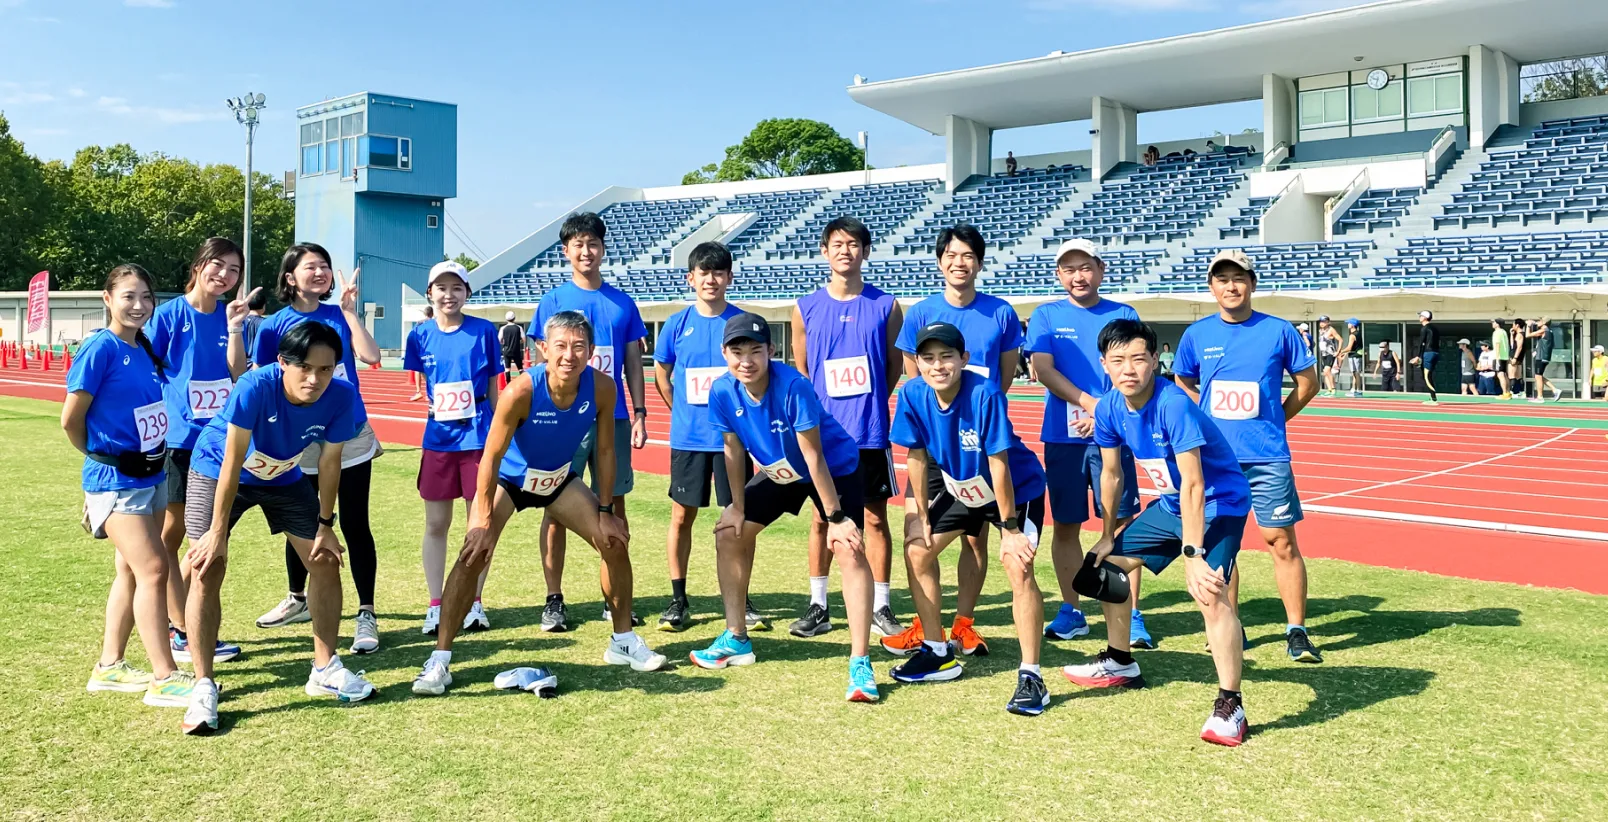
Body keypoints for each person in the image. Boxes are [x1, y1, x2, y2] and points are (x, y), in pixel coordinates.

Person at [411, 311, 667, 696]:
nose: (570, 355)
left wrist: (606, 509)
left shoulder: (601, 387)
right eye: (560, 346)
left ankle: (623, 641)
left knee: (612, 541)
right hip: (512, 480)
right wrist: (480, 518)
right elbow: (491, 458)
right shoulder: (521, 391)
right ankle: (440, 660)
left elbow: (606, 451)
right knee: (472, 553)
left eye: (579, 346)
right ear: (543, 349)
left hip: (558, 479)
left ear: (591, 351)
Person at [180, 321, 379, 734]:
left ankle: (324, 668)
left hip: (283, 476)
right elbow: (232, 461)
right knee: (207, 565)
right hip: (217, 471)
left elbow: (329, 461)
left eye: (326, 369)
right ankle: (203, 684)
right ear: (281, 362)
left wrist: (326, 524)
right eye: (305, 367)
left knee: (324, 562)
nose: (315, 379)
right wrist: (217, 532)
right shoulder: (255, 385)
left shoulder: (342, 396)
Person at [1064, 318, 1252, 746]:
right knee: (1103, 568)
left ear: (1154, 360)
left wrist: (1192, 554)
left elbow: (1194, 483)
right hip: (1171, 505)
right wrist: (1109, 533)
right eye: (1118, 360)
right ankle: (1120, 661)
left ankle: (1231, 704)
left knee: (1209, 590)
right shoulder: (1110, 406)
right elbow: (1111, 475)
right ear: (1104, 365)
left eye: (1137, 358)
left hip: (1219, 504)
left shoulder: (1174, 404)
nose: (1128, 368)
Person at [690, 313, 880, 704]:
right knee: (729, 533)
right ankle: (737, 637)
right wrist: (735, 507)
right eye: (737, 351)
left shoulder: (794, 385)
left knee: (848, 548)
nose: (746, 360)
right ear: (725, 353)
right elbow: (732, 448)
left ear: (771, 351)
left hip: (834, 468)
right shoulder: (723, 391)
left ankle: (860, 662)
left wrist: (838, 519)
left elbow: (814, 457)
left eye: (755, 351)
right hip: (782, 471)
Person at [888, 322, 1051, 715]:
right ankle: (936, 651)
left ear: (964, 359)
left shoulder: (985, 394)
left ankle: (1032, 675)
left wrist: (1011, 530)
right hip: (962, 487)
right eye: (928, 358)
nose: (937, 365)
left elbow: (999, 463)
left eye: (947, 356)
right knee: (918, 551)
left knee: (1018, 565)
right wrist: (920, 514)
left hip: (1014, 487)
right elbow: (916, 455)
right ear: (918, 362)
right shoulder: (912, 393)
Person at [1172, 250, 1322, 664]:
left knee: (1281, 542)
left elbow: (1308, 382)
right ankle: (1227, 624)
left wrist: (1277, 418)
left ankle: (1297, 630)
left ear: (1252, 284)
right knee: (1223, 546)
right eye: (1221, 279)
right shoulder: (1197, 335)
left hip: (1267, 456)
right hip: (1216, 461)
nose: (1231, 286)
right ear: (1211, 287)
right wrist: (1202, 416)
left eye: (1238, 278)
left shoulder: (1279, 331)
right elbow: (1184, 380)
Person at [881, 224, 1021, 657]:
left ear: (978, 262)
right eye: (951, 255)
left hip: (978, 442)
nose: (959, 263)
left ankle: (963, 623)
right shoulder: (921, 312)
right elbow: (913, 373)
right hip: (934, 443)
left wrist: (972, 421)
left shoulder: (1001, 313)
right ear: (940, 261)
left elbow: (1006, 374)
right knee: (917, 536)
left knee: (975, 539)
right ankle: (928, 628)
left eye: (968, 255)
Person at [66, 264, 198, 712]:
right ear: (108, 298)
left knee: (129, 570)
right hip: (115, 480)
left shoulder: (142, 347)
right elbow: (71, 419)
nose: (138, 305)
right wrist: (103, 455)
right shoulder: (99, 349)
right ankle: (163, 675)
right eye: (128, 296)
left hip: (152, 474)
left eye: (146, 296)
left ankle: (110, 666)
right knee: (154, 570)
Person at [251, 245, 385, 655]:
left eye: (325, 266)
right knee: (301, 520)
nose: (321, 273)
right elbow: (261, 376)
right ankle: (298, 598)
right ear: (290, 277)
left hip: (348, 431)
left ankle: (366, 612)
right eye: (311, 267)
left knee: (355, 522)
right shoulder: (274, 325)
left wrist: (349, 310)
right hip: (298, 436)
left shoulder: (338, 315)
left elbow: (371, 356)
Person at [529, 212, 650, 632]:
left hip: (611, 419)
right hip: (562, 420)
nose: (586, 251)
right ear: (566, 251)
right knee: (554, 507)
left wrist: (639, 412)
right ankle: (553, 599)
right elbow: (537, 362)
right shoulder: (552, 301)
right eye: (578, 244)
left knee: (613, 505)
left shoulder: (622, 303)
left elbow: (633, 361)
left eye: (593, 244)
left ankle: (614, 598)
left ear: (602, 249)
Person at [1024, 239, 1147, 649]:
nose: (1078, 276)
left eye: (1086, 267)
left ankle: (1132, 613)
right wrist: (1089, 402)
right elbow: (1042, 368)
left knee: (1123, 524)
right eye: (1069, 269)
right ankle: (1072, 608)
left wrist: (1106, 410)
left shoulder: (1122, 313)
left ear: (1101, 268)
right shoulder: (1046, 315)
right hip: (1063, 435)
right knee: (1066, 525)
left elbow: (1134, 367)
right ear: (1059, 275)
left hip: (1116, 433)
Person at [790, 216, 904, 640]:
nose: (845, 251)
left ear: (866, 252)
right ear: (825, 251)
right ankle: (819, 604)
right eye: (837, 244)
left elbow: (894, 367)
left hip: (870, 432)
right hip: (823, 437)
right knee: (821, 520)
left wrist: (869, 402)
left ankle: (881, 606)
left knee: (875, 520)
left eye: (854, 244)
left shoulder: (887, 306)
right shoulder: (804, 308)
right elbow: (803, 369)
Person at [148, 238, 253, 667]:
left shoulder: (233, 317)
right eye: (218, 265)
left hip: (217, 443)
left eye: (233, 270)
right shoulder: (170, 315)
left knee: (207, 536)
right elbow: (148, 367)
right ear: (199, 265)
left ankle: (185, 623)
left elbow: (238, 371)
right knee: (172, 536)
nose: (224, 276)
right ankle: (180, 629)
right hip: (177, 441)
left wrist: (233, 328)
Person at [651, 241, 751, 632]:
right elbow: (662, 371)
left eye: (718, 272)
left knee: (739, 518)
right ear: (691, 278)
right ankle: (678, 599)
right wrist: (677, 406)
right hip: (688, 439)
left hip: (733, 441)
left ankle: (742, 596)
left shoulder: (741, 321)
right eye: (703, 273)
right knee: (682, 517)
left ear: (729, 277)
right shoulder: (677, 323)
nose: (711, 279)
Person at [404, 261, 503, 635]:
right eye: (441, 288)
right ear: (430, 293)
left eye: (457, 288)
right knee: (436, 523)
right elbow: (423, 380)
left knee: (478, 524)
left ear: (467, 292)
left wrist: (496, 431)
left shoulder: (484, 331)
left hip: (478, 438)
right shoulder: (420, 336)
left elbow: (495, 383)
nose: (449, 295)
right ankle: (436, 603)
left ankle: (475, 602)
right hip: (438, 441)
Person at [1409, 310, 1441, 405]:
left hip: (1428, 353)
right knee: (1428, 375)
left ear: (1425, 317)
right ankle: (1432, 396)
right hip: (1435, 353)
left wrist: (1418, 356)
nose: (1419, 317)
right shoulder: (1435, 328)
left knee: (1426, 376)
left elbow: (1422, 343)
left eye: (1421, 316)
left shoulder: (1424, 328)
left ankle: (1433, 398)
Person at [1528, 317, 1561, 403]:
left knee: (1538, 376)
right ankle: (1555, 390)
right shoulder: (1548, 330)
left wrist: (1528, 326)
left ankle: (1540, 397)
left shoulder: (1544, 330)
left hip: (1541, 356)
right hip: (1544, 356)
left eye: (1540, 321)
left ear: (1544, 322)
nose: (1538, 322)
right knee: (1539, 376)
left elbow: (1528, 335)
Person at [408, 305, 435, 401]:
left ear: (425, 313)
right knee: (427, 370)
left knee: (418, 370)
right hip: (433, 348)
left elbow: (414, 335)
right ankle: (431, 391)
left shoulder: (420, 323)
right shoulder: (436, 322)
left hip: (422, 348)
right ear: (432, 313)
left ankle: (419, 391)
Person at [241, 287, 269, 365]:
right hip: (258, 364)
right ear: (264, 306)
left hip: (238, 362)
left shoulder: (237, 322)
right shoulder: (266, 323)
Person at [1336, 319, 1363, 397]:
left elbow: (1349, 348)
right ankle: (1354, 389)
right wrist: (1344, 354)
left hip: (1354, 356)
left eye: (1349, 323)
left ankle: (1358, 390)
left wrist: (1340, 352)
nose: (1348, 324)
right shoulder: (1358, 333)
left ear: (1352, 325)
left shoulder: (1352, 335)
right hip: (1355, 355)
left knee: (1356, 373)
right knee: (1355, 372)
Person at [1317, 316, 1340, 397]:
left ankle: (1333, 389)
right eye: (1321, 322)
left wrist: (1338, 351)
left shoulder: (1331, 330)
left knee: (1327, 370)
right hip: (1323, 353)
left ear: (1328, 322)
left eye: (1324, 322)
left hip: (1330, 353)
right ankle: (1329, 389)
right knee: (1325, 372)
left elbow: (1340, 339)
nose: (1322, 323)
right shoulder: (1321, 331)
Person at [500, 311, 526, 377]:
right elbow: (524, 339)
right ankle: (522, 382)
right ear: (514, 318)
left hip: (506, 350)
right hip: (516, 350)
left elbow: (499, 340)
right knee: (520, 368)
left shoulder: (503, 328)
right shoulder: (519, 328)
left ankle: (508, 383)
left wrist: (504, 343)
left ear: (506, 319)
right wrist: (518, 341)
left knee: (507, 368)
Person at [1491, 319, 1512, 399]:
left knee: (1500, 375)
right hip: (1504, 356)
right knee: (1504, 374)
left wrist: (1496, 358)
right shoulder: (1504, 332)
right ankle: (1508, 392)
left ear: (1498, 324)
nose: (1492, 323)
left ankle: (1504, 393)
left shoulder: (1497, 332)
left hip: (1499, 356)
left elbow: (1497, 344)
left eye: (1494, 322)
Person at [1509, 319, 1528, 400]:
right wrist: (1511, 334)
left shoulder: (1520, 334)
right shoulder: (1517, 334)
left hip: (1515, 356)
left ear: (1517, 325)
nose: (1512, 326)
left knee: (1512, 374)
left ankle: (1512, 392)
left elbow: (1519, 347)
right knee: (1518, 375)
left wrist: (1515, 358)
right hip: (1517, 356)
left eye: (1513, 324)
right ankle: (1521, 392)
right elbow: (1513, 345)